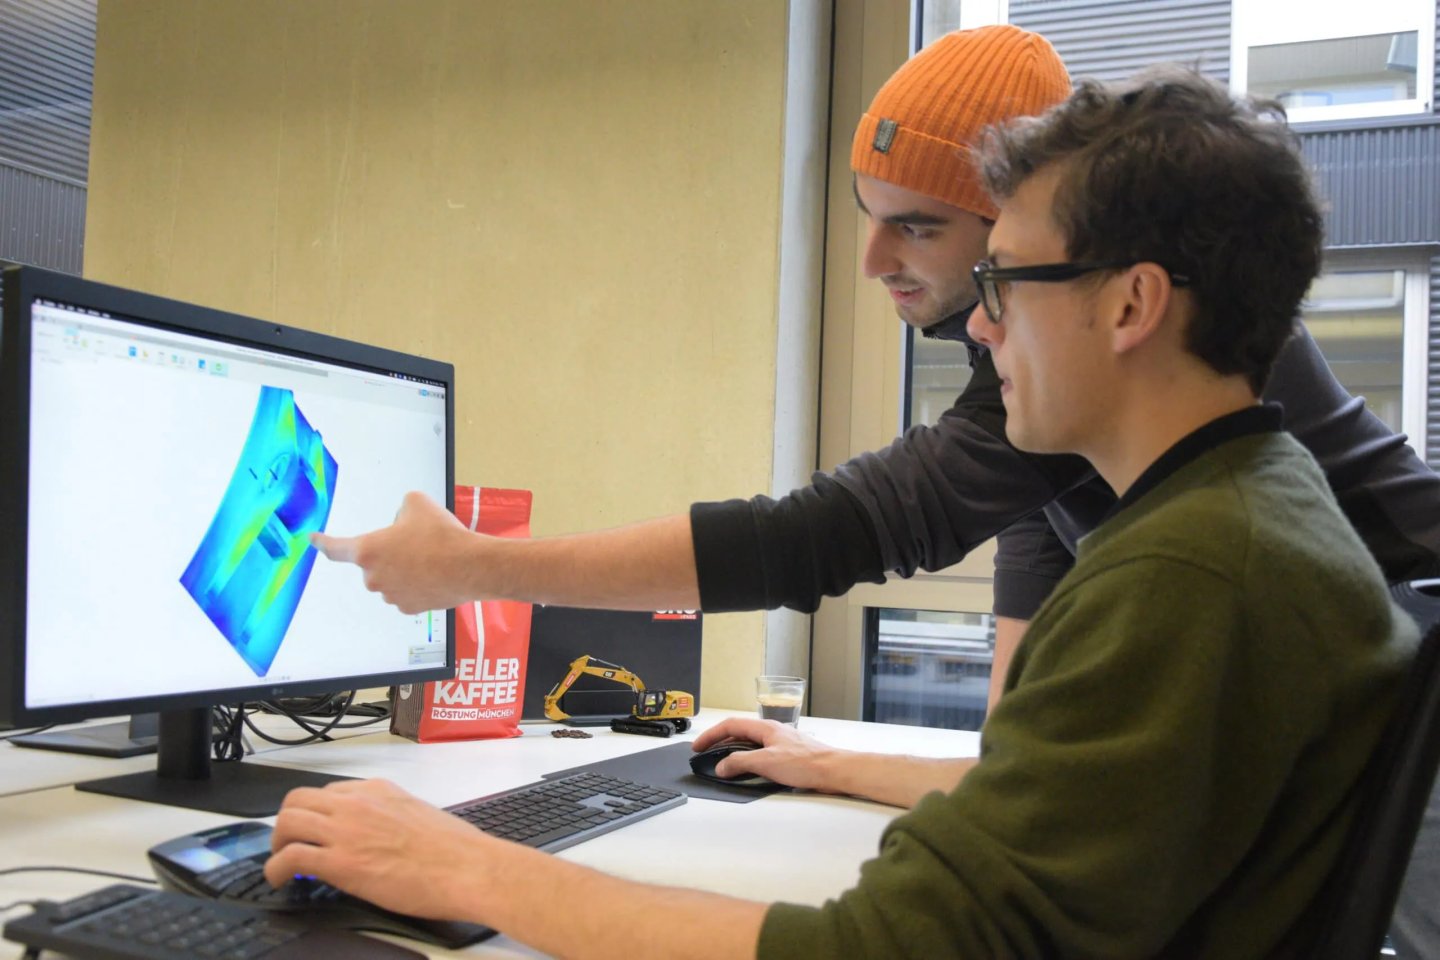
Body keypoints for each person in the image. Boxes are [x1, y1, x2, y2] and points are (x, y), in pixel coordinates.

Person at [307, 25, 1440, 954]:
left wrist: (470, 867)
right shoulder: (1206, 489)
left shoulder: (1192, 566)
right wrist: (833, 764)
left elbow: (820, 541)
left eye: (999, 275)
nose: (981, 323)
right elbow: (1039, 767)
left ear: (1132, 304)